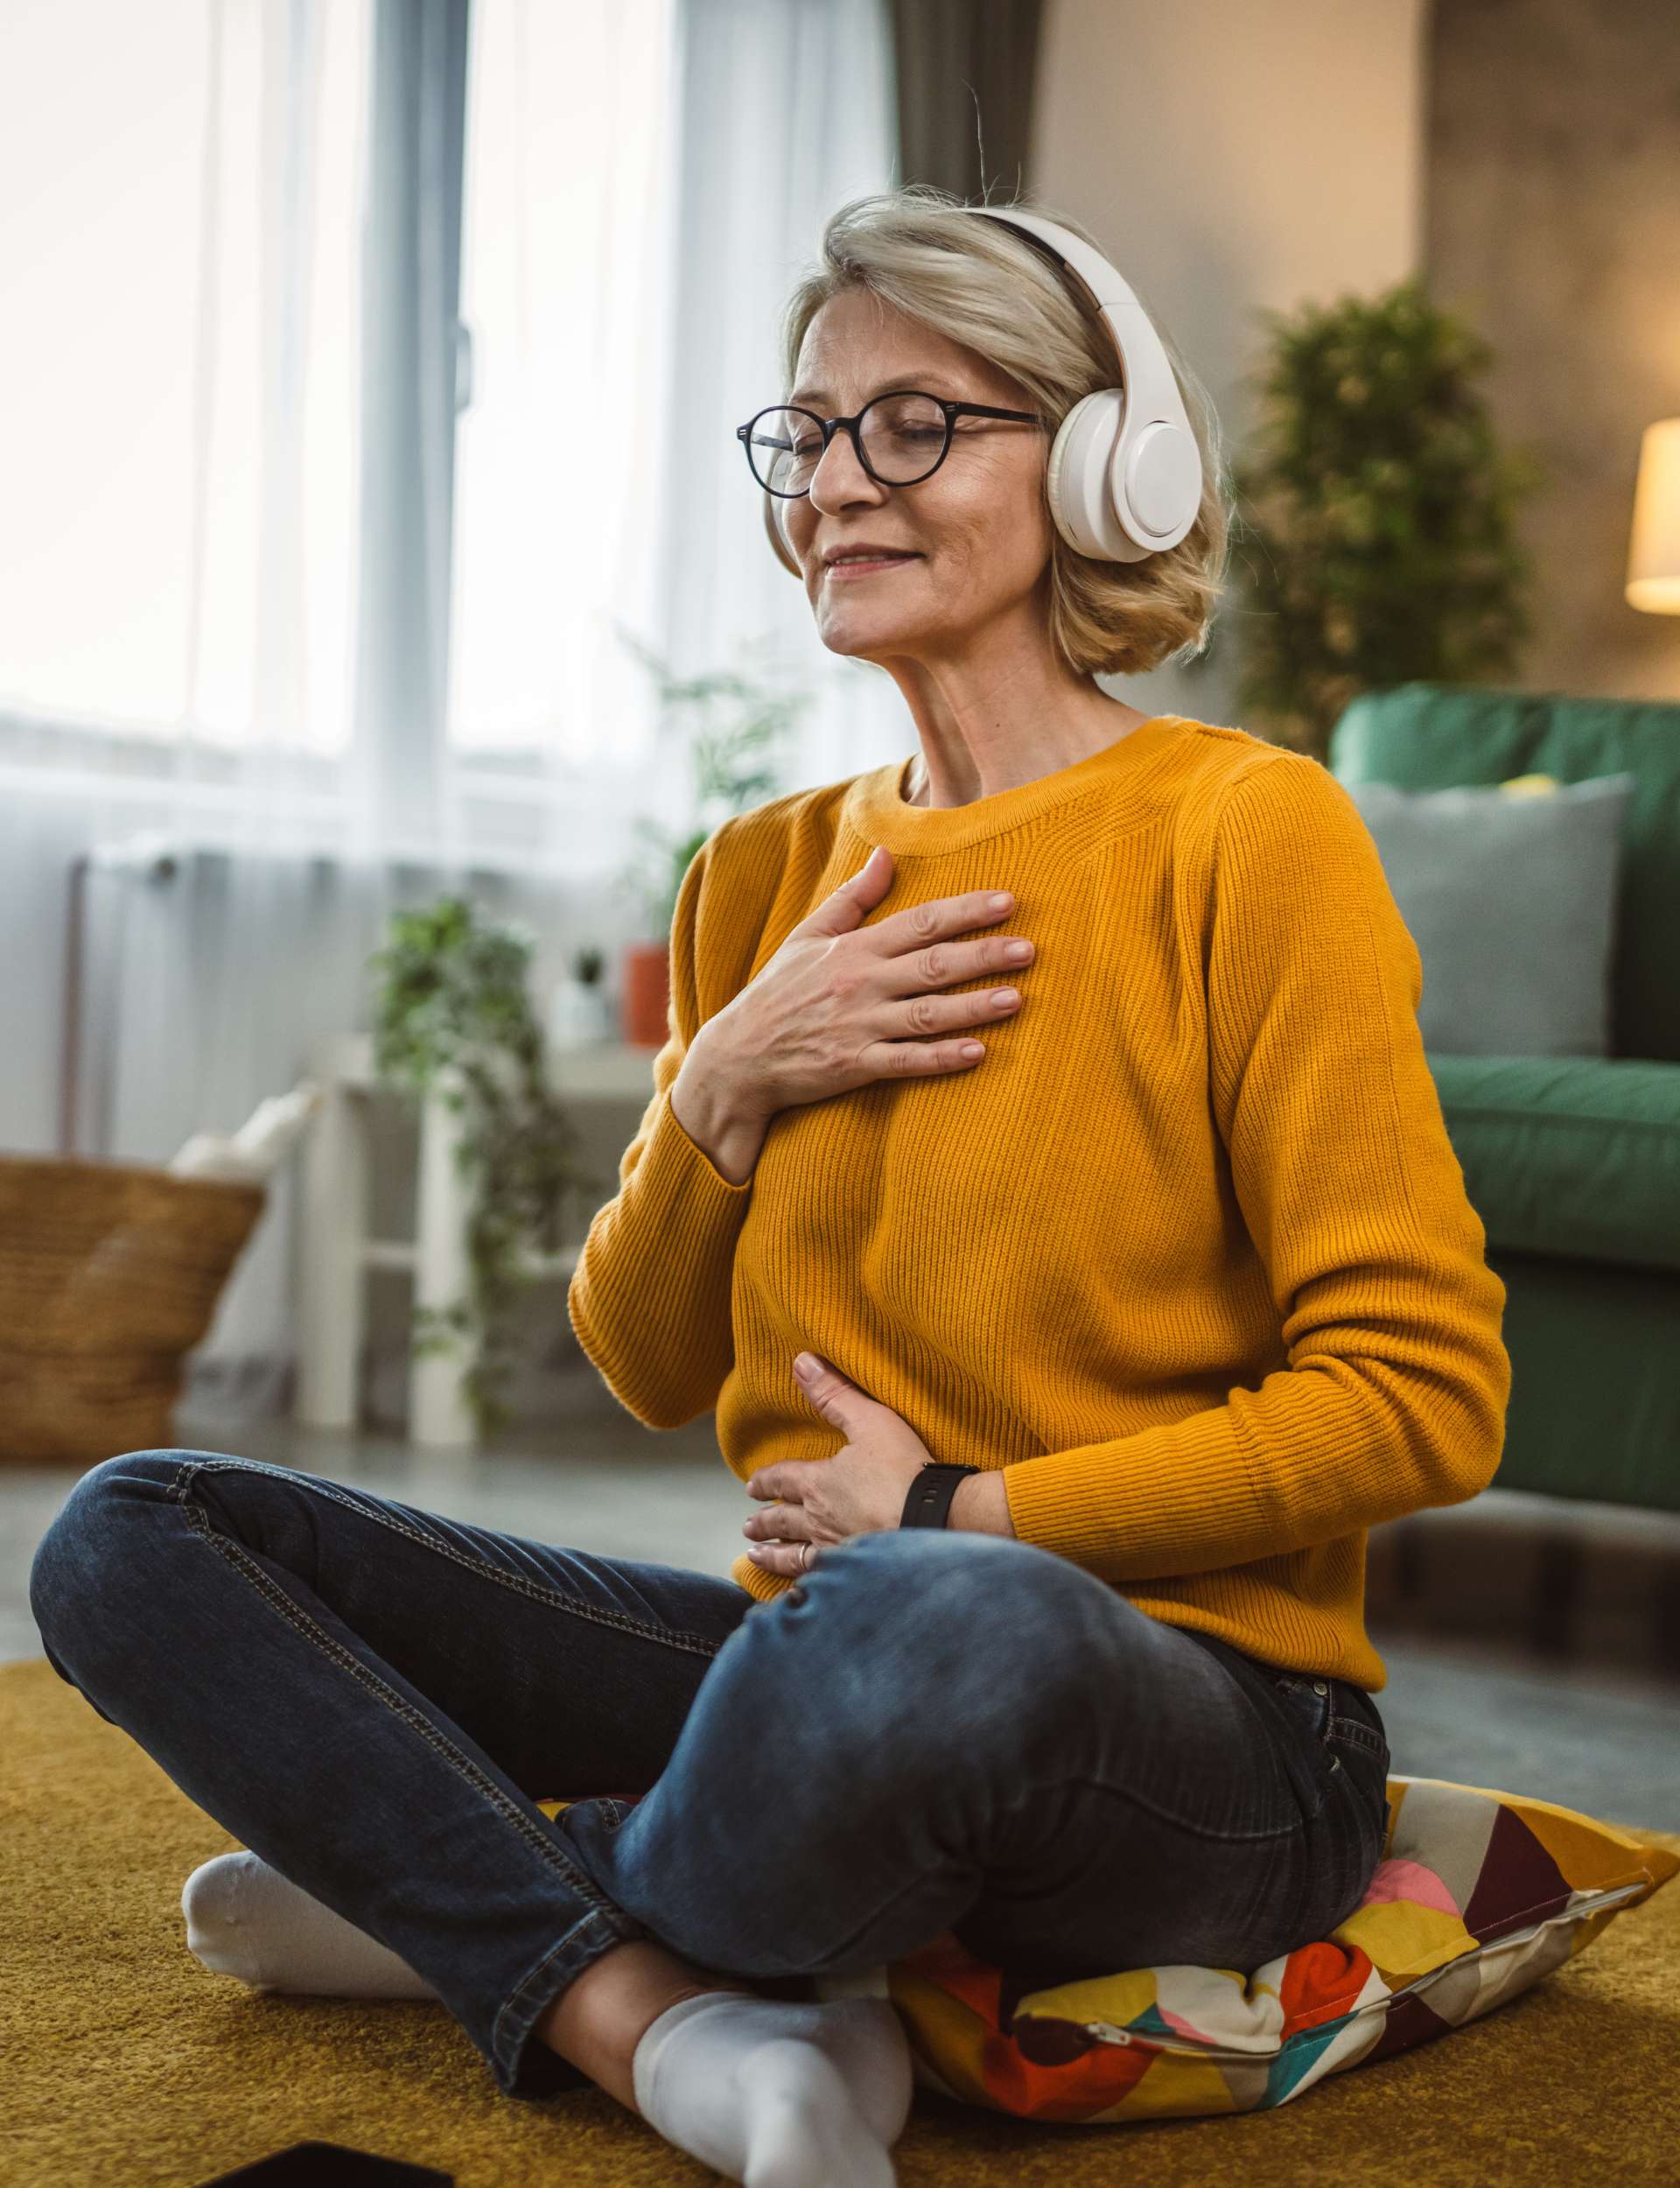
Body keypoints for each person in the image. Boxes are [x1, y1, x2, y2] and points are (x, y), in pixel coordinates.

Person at [29, 186, 1509, 2188]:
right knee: (134, 1527)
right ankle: (656, 2006)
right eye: (810, 431)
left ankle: (482, 1897)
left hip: (1196, 1723)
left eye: (916, 424)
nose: (835, 480)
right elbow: (641, 1362)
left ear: (1099, 466)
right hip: (800, 1661)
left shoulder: (1248, 834)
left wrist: (957, 1509)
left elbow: (1426, 1396)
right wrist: (722, 1080)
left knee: (947, 1614)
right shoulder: (757, 874)